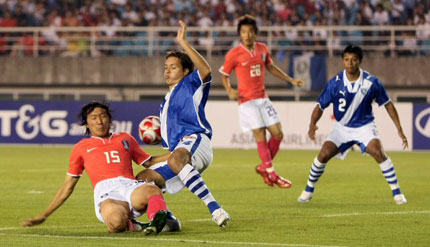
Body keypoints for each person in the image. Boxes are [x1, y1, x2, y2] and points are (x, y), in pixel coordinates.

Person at [21, 102, 170, 234]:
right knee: (116, 223)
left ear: (109, 119)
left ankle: (160, 222)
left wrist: (175, 153)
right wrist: (45, 214)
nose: (99, 121)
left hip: (129, 186)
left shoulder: (125, 138)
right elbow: (67, 186)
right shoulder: (80, 148)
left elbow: (149, 162)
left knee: (151, 190)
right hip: (107, 193)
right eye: (94, 118)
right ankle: (132, 225)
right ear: (86, 123)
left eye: (103, 116)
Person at [137, 20, 230, 228]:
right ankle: (168, 219)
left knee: (176, 159)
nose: (167, 71)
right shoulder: (164, 105)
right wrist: (151, 160)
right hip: (180, 154)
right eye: (165, 67)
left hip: (197, 141)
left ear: (186, 71)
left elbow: (206, 71)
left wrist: (184, 42)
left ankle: (215, 209)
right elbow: (172, 151)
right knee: (143, 178)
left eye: (173, 67)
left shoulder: (190, 84)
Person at [297, 45, 408, 205]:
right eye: (347, 59)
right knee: (323, 155)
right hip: (341, 127)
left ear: (359, 61)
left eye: (354, 60)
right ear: (343, 61)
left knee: (378, 152)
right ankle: (308, 190)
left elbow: (388, 104)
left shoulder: (372, 82)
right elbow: (320, 105)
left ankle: (397, 193)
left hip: (365, 127)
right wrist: (312, 124)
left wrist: (399, 129)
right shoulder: (335, 83)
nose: (350, 63)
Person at [219, 15, 304, 188]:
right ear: (240, 34)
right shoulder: (234, 54)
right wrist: (229, 90)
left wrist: (291, 80)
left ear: (255, 33)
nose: (247, 35)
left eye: (250, 31)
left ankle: (264, 166)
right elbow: (224, 75)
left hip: (263, 99)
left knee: (278, 134)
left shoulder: (263, 49)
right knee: (260, 134)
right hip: (246, 101)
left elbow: (271, 67)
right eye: (244, 32)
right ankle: (273, 175)